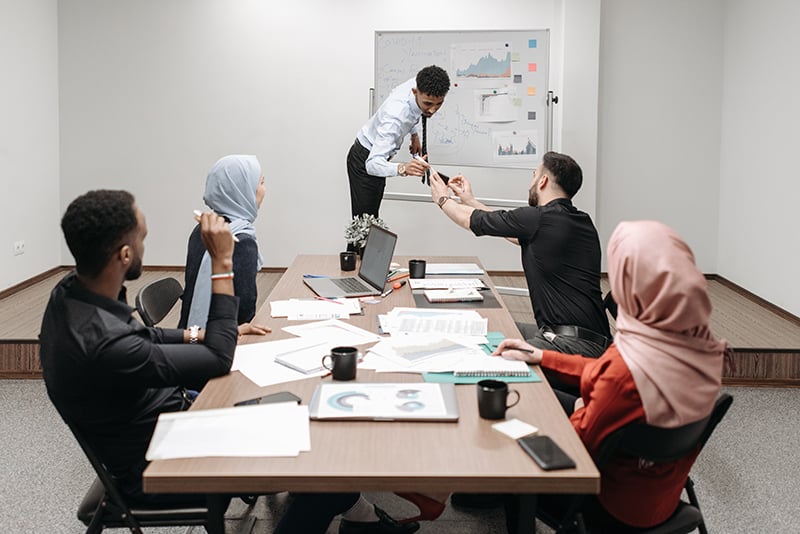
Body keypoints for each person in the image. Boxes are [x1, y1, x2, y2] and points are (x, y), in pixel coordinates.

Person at [39, 189, 417, 534]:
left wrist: (195, 333)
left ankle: (359, 517)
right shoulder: (107, 345)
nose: (144, 246)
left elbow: (145, 337)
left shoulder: (71, 295)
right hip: (160, 465)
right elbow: (218, 359)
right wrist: (222, 259)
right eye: (143, 238)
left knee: (309, 413)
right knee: (330, 460)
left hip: (171, 423)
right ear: (124, 255)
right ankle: (346, 512)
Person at [493, 220, 727, 530]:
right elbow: (605, 372)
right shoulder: (698, 345)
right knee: (543, 389)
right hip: (661, 494)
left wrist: (583, 409)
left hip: (611, 505)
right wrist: (542, 356)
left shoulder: (626, 373)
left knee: (511, 422)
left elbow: (573, 449)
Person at [429, 151, 611, 359]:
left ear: (542, 181)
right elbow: (507, 226)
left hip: (570, 345)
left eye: (533, 175)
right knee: (494, 330)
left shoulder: (538, 219)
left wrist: (442, 199)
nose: (530, 183)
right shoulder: (581, 221)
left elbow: (470, 221)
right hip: (594, 341)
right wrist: (470, 200)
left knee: (488, 358)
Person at [179, 154, 270, 336]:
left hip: (190, 334)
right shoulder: (241, 241)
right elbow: (244, 313)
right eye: (260, 183)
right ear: (242, 189)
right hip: (222, 341)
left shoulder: (203, 228)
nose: (264, 190)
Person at [347, 65, 450, 222]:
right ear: (415, 92)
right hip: (365, 160)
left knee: (370, 223)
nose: (433, 110)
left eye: (439, 104)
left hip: (376, 155)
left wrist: (414, 134)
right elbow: (372, 164)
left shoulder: (419, 81)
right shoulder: (394, 119)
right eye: (428, 104)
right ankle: (357, 248)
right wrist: (404, 168)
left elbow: (401, 98)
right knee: (364, 227)